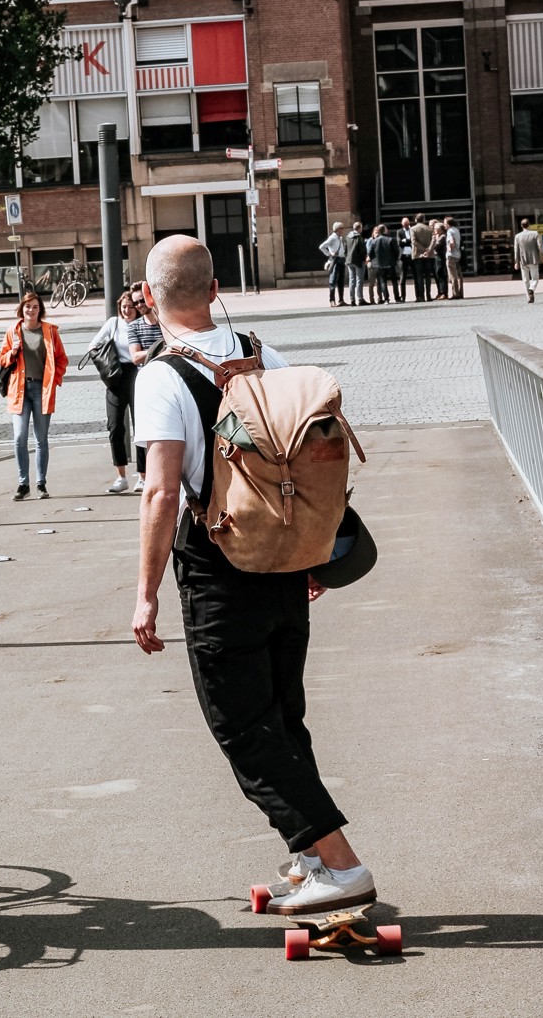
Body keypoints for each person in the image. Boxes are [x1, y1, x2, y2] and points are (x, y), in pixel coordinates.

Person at [131, 234, 376, 916]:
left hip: (218, 563)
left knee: (240, 724)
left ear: (150, 299)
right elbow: (313, 457)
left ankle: (340, 864)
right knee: (281, 717)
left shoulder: (160, 376)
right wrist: (316, 547)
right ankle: (307, 859)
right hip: (287, 558)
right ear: (214, 291)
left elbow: (160, 493)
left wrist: (146, 593)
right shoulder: (265, 355)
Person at [0, 292, 68, 500]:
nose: (31, 310)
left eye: (35, 307)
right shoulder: (14, 331)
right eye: (28, 307)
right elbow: (2, 359)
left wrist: (54, 380)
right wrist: (13, 352)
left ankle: (41, 483)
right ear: (22, 309)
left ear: (40, 310)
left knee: (41, 439)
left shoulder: (49, 331)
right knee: (19, 438)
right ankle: (23, 483)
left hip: (41, 390)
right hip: (19, 390)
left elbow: (61, 359)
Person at [88, 290, 140, 494]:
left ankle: (143, 476)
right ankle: (121, 476)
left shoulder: (141, 324)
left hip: (137, 373)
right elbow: (93, 346)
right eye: (124, 307)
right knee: (115, 426)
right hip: (117, 376)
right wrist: (105, 365)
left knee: (141, 427)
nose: (127, 311)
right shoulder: (113, 324)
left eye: (130, 307)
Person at [128, 282, 163, 492]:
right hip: (147, 383)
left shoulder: (165, 322)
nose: (139, 305)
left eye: (142, 300)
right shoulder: (134, 326)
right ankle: (146, 476)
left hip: (167, 379)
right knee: (145, 431)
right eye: (136, 303)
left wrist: (147, 352)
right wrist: (161, 347)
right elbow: (135, 357)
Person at [514, 219, 543, 303]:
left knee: (525, 280)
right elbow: (540, 246)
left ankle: (529, 297)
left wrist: (516, 261)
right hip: (534, 259)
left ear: (521, 226)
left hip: (523, 260)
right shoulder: (535, 234)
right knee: (535, 278)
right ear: (529, 225)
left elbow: (516, 250)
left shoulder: (517, 236)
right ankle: (531, 289)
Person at [369, 224, 400, 304]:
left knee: (383, 282)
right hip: (390, 263)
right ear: (385, 230)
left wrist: (374, 261)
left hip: (379, 264)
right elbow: (396, 251)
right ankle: (397, 298)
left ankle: (386, 299)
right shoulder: (391, 239)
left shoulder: (374, 241)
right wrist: (395, 259)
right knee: (394, 281)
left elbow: (370, 253)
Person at [318, 222, 346, 307]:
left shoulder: (339, 238)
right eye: (342, 228)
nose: (343, 230)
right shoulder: (332, 238)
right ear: (338, 229)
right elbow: (322, 246)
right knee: (333, 281)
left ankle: (341, 300)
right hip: (335, 260)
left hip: (341, 260)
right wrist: (330, 254)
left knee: (341, 281)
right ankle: (332, 300)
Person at [410, 214, 435, 303]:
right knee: (428, 276)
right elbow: (433, 240)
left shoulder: (413, 229)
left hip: (417, 255)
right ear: (424, 220)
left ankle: (421, 296)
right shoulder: (430, 229)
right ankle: (428, 295)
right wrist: (428, 250)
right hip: (429, 255)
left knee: (419, 276)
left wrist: (422, 250)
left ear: (416, 220)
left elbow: (413, 241)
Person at [343, 222, 366, 307]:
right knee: (359, 280)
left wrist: (347, 258)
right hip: (358, 261)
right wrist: (364, 259)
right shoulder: (359, 237)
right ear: (359, 228)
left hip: (349, 261)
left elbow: (344, 250)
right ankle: (360, 299)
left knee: (351, 280)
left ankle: (352, 299)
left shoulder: (347, 237)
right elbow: (362, 250)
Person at [444, 216, 464, 300]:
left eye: (445, 223)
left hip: (451, 255)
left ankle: (455, 293)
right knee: (459, 274)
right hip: (457, 254)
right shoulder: (456, 230)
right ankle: (460, 292)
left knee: (452, 275)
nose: (444, 225)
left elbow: (451, 242)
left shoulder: (449, 231)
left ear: (448, 224)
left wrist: (449, 249)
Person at [431, 220, 449, 300]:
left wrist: (434, 239)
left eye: (435, 228)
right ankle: (440, 292)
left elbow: (436, 246)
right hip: (437, 257)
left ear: (440, 229)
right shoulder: (439, 236)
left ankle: (444, 293)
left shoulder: (442, 237)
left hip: (440, 257)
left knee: (441, 275)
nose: (434, 230)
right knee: (438, 274)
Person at [396, 217, 413, 302]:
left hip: (412, 255)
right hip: (403, 256)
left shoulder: (412, 230)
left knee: (416, 276)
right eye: (405, 224)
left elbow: (413, 241)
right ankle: (403, 296)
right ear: (402, 224)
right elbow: (399, 243)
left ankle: (419, 295)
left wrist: (406, 240)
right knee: (402, 278)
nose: (406, 225)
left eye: (407, 224)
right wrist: (407, 241)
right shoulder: (399, 232)